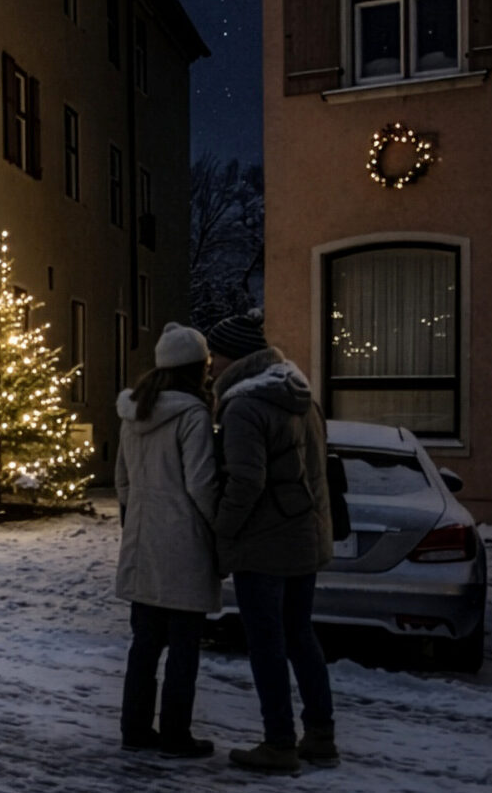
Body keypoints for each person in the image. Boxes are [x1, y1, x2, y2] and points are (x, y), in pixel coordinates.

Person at [210, 325, 341, 775]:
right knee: (300, 635)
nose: (211, 366)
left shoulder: (244, 406)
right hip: (304, 538)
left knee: (267, 644)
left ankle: (279, 743)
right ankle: (320, 735)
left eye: (216, 356)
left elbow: (245, 481)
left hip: (264, 545)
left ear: (236, 359)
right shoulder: (301, 396)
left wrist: (222, 533)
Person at [114, 323, 221, 760]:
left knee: (144, 644)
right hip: (184, 544)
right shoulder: (194, 415)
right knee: (183, 648)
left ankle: (135, 728)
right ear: (196, 368)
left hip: (143, 542)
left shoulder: (133, 412)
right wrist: (220, 530)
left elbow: (122, 481)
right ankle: (176, 735)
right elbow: (201, 483)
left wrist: (135, 522)